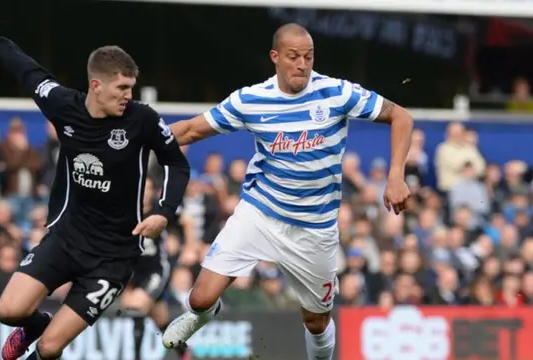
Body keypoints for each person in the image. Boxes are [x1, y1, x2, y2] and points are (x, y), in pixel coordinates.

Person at [161, 23, 413, 360]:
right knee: (200, 298)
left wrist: (395, 175)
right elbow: (191, 130)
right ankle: (203, 314)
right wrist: (140, 137)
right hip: (261, 212)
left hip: (315, 227)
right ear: (275, 57)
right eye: (293, 57)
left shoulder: (337, 93)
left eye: (308, 57)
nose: (302, 64)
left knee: (316, 320)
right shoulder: (252, 99)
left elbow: (401, 117)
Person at [0, 12, 190, 360]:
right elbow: (28, 72)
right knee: (8, 311)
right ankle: (35, 323)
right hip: (65, 240)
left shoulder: (142, 120)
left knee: (51, 348)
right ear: (96, 86)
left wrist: (163, 211)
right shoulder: (63, 106)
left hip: (113, 257)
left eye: (131, 88)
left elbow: (177, 162)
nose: (128, 96)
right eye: (122, 88)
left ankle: (42, 341)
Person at [121, 176, 190, 360]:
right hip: (133, 273)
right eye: (141, 188)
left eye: (148, 189)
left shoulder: (160, 211)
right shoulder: (126, 211)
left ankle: (136, 357)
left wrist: (188, 247)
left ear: (153, 192)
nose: (144, 193)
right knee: (162, 321)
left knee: (136, 306)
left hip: (156, 271)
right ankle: (185, 353)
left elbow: (187, 222)